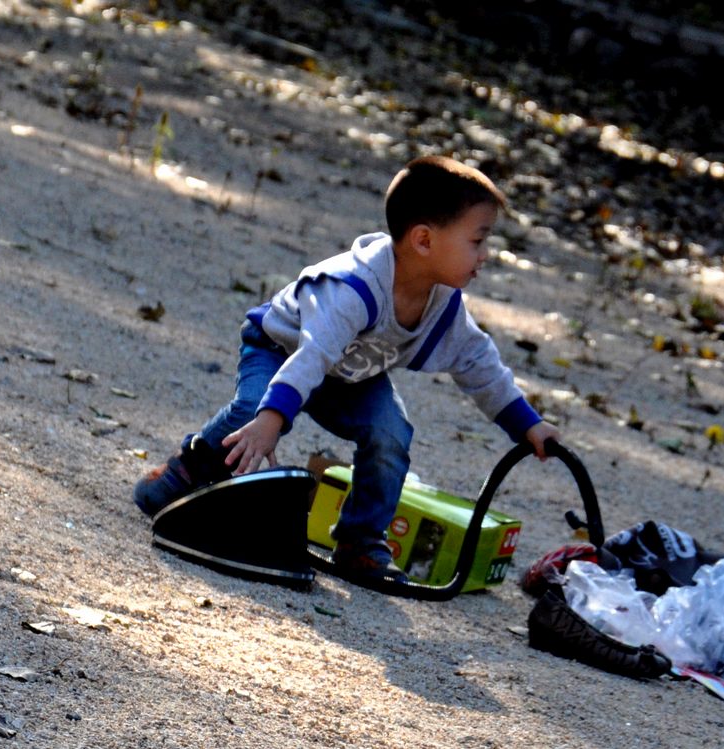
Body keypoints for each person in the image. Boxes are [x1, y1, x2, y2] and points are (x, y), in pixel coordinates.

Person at [133, 155, 560, 582]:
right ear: (424, 241)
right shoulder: (351, 289)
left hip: (350, 374)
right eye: (477, 240)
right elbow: (312, 356)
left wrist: (528, 425)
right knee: (253, 415)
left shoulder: (442, 302)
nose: (485, 255)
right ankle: (191, 467)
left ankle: (359, 542)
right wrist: (272, 418)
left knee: (391, 433)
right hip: (284, 349)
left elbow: (477, 362)